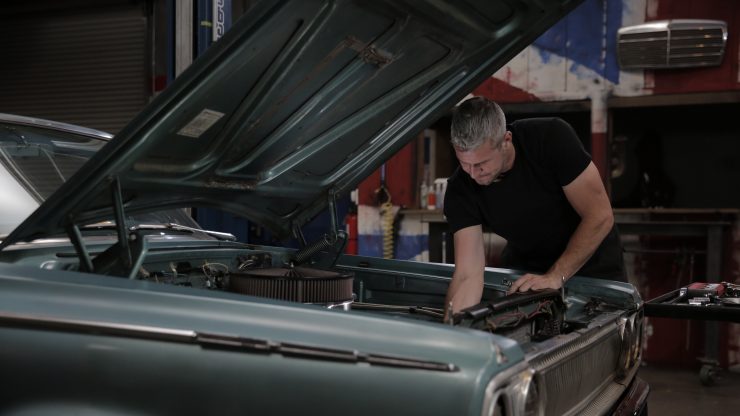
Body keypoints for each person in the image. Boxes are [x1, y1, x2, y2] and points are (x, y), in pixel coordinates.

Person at [443, 97, 625, 315]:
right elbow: (467, 275)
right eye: (465, 164)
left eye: (481, 163)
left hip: (594, 269)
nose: (473, 174)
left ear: (506, 140)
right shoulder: (460, 189)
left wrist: (555, 276)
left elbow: (599, 216)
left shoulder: (550, 139)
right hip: (528, 275)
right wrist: (453, 328)